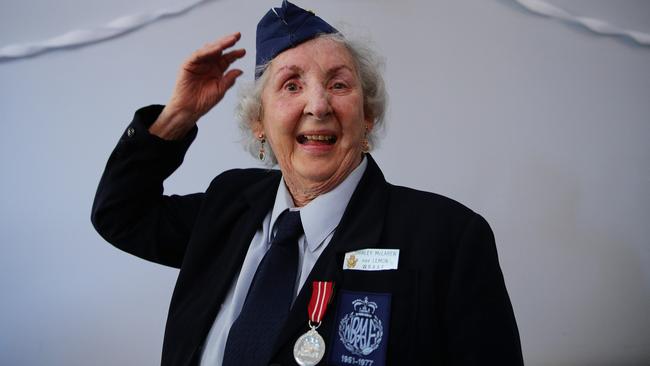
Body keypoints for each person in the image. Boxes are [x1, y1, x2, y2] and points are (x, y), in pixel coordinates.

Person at [91, 1, 524, 365]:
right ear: (259, 123)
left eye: (338, 84)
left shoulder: (449, 239)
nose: (318, 105)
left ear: (367, 116)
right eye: (291, 85)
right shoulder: (228, 204)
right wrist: (176, 118)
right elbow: (121, 214)